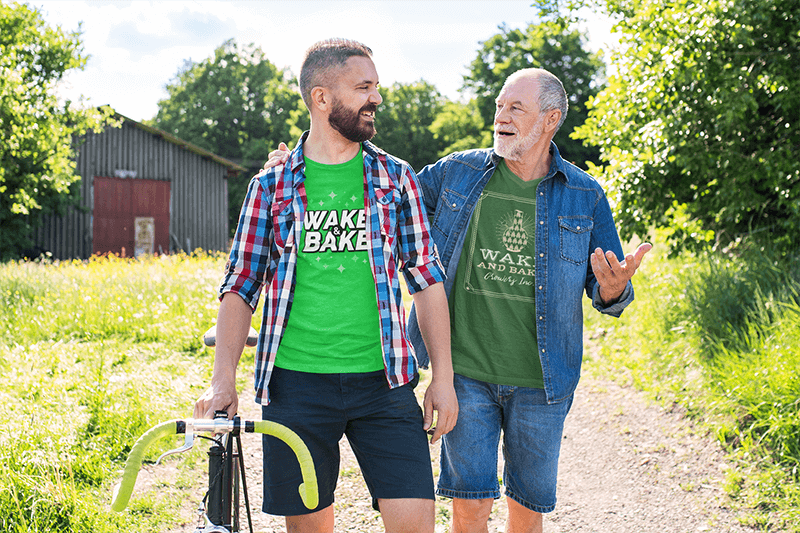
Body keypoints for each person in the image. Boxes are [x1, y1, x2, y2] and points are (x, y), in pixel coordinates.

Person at [264, 67, 650, 533]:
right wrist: (296, 166)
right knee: (469, 505)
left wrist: (613, 288)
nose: (501, 117)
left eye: (515, 108)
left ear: (550, 120)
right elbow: (375, 187)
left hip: (543, 379)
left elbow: (607, 290)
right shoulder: (456, 174)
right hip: (466, 374)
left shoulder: (585, 196)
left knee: (528, 508)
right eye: (499, 106)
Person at [194, 38, 458, 533]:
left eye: (376, 87)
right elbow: (241, 285)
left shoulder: (395, 178)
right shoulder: (271, 187)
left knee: (416, 524)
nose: (375, 98)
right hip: (296, 387)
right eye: (363, 87)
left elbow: (426, 279)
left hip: (386, 383)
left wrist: (442, 377)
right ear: (321, 97)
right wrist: (222, 378)